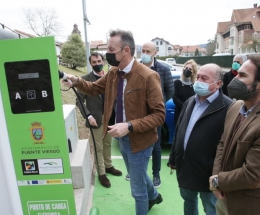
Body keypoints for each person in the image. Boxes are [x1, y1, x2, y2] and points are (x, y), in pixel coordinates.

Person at [64, 29, 165, 215]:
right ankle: (155, 195)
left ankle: (147, 200)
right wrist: (76, 80)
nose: (107, 53)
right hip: (121, 138)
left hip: (139, 140)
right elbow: (94, 88)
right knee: (139, 174)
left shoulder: (148, 76)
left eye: (111, 49)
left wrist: (129, 126)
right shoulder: (112, 73)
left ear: (125, 50)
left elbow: (159, 115)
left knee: (137, 188)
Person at [168, 63, 233, 215]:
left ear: (218, 84)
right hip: (186, 168)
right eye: (198, 77)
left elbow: (229, 144)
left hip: (209, 173)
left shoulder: (229, 107)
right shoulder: (190, 101)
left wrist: (219, 174)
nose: (198, 81)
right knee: (188, 201)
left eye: (204, 78)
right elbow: (179, 131)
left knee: (211, 208)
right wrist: (173, 158)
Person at [210, 54, 260, 215]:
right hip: (223, 198)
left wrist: (217, 181)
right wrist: (216, 177)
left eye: (243, 75)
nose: (236, 79)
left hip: (250, 204)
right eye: (237, 73)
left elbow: (251, 173)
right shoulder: (235, 106)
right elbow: (222, 143)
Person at [75, 52, 122, 188]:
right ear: (90, 64)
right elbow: (79, 100)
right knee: (98, 147)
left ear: (104, 62)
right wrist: (88, 116)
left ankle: (108, 166)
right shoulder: (85, 79)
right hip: (95, 118)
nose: (97, 64)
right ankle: (101, 173)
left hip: (110, 117)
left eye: (99, 61)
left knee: (107, 144)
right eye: (94, 62)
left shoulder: (111, 77)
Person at [135, 41, 173, 188]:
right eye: (142, 51)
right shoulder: (136, 68)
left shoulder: (163, 69)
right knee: (138, 144)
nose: (144, 54)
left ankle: (156, 175)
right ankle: (138, 173)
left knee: (156, 146)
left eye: (148, 51)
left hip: (155, 115)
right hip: (138, 114)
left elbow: (169, 91)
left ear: (155, 53)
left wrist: (158, 105)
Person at [173, 59, 197, 126]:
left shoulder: (195, 85)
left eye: (190, 69)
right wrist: (185, 107)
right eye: (186, 68)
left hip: (192, 114)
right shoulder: (177, 83)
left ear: (193, 71)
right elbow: (175, 97)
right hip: (179, 113)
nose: (187, 70)